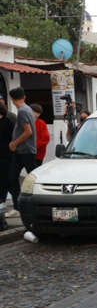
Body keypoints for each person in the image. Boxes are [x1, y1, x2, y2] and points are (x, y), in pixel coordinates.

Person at [6, 88, 37, 217]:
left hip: (25, 150)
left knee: (30, 179)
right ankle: (19, 207)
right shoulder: (27, 109)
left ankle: (25, 207)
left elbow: (28, 131)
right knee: (15, 178)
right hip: (23, 151)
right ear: (24, 97)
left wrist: (15, 143)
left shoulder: (23, 111)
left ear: (12, 99)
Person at [0, 103, 13, 230]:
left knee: (4, 186)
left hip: (5, 158)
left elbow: (11, 139)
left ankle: (2, 221)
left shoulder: (7, 122)